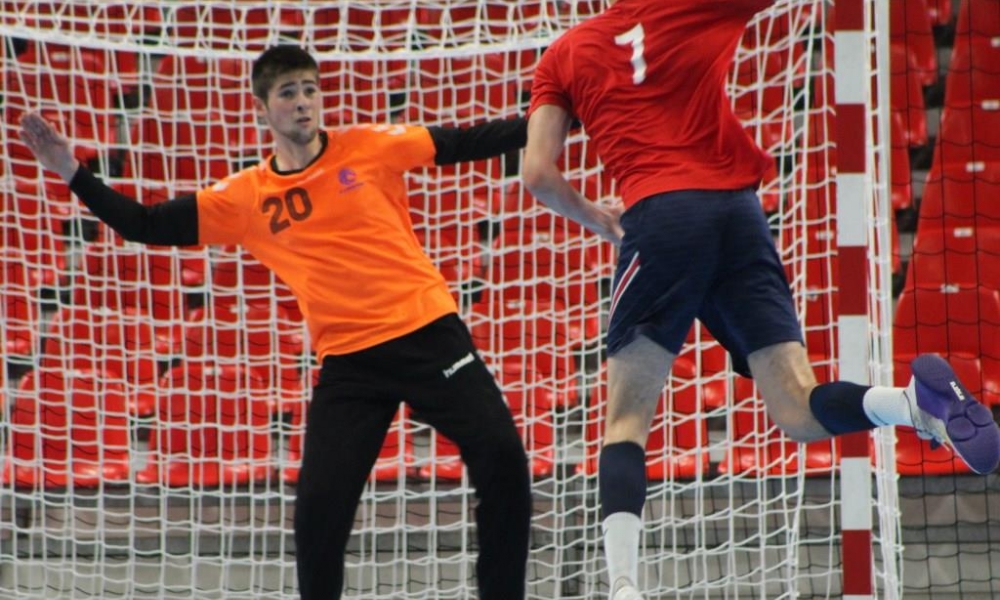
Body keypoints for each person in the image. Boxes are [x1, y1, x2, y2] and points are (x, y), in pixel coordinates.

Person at [521, 2, 1000, 600]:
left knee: (625, 421)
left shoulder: (563, 54)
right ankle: (911, 404)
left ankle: (623, 588)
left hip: (661, 215)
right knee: (797, 410)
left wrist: (596, 216)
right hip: (738, 214)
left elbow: (538, 173)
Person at [19, 45, 532, 600]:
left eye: (311, 88)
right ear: (263, 106)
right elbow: (144, 223)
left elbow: (471, 141)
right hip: (350, 365)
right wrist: (71, 172)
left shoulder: (369, 146)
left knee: (503, 459)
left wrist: (567, 115)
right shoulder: (247, 197)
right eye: (288, 92)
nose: (304, 102)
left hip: (429, 335)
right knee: (317, 514)